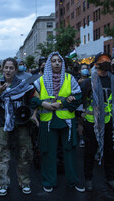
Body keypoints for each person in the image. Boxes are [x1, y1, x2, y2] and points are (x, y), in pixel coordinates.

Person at [32, 52, 85, 193]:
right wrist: (43, 104)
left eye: (59, 61)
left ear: (62, 64)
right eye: (53, 61)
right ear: (49, 64)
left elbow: (78, 96)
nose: (56, 63)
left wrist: (62, 104)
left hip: (67, 121)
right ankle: (48, 181)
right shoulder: (40, 81)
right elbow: (31, 98)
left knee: (70, 151)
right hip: (47, 121)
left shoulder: (70, 78)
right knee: (48, 152)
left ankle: (73, 181)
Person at [0, 57, 37, 196]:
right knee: (1, 155)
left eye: (11, 68)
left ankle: (24, 182)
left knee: (25, 153)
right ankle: (3, 184)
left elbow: (35, 99)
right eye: (6, 67)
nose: (8, 70)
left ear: (15, 69)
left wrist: (34, 114)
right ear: (2, 69)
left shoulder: (23, 84)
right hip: (3, 124)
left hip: (22, 124)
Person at [81, 52, 114, 191]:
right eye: (103, 60)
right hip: (91, 123)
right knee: (90, 152)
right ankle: (88, 179)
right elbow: (80, 102)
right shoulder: (88, 82)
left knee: (109, 152)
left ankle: (110, 178)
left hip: (108, 122)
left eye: (108, 59)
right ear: (96, 64)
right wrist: (80, 123)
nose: (106, 62)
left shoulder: (112, 80)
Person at [76, 63, 90, 148]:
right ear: (79, 71)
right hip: (80, 104)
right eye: (83, 68)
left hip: (88, 104)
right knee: (80, 122)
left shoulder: (91, 80)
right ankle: (81, 138)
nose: (85, 70)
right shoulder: (76, 80)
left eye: (86, 68)